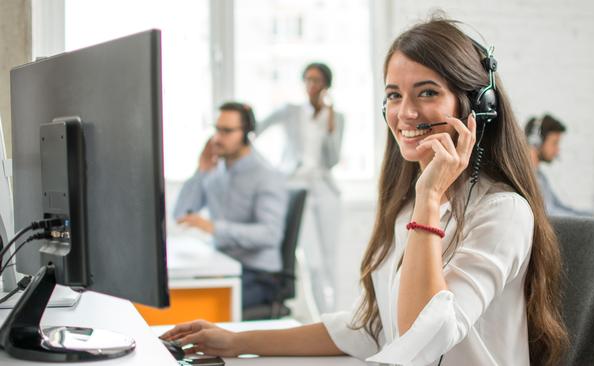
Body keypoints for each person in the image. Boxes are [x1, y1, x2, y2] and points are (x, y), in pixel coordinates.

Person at [162, 16, 568, 366]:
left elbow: (418, 342)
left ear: (478, 106)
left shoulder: (503, 211)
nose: (405, 113)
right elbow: (371, 328)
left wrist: (428, 199)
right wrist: (237, 341)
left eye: (427, 92)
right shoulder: (407, 203)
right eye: (394, 95)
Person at [173, 102, 289, 310]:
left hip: (258, 275)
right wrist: (200, 171)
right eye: (216, 129)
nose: (217, 138)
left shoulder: (267, 175)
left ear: (246, 134)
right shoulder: (215, 171)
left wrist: (215, 228)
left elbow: (270, 234)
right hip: (222, 266)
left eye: (227, 131)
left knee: (197, 307)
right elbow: (181, 214)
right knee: (177, 295)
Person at [256, 62, 345, 313]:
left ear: (326, 85)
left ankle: (334, 317)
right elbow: (255, 130)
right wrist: (274, 170)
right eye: (307, 79)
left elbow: (333, 159)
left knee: (330, 260)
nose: (311, 85)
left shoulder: (336, 117)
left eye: (316, 80)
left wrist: (329, 127)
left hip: (325, 188)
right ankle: (320, 319)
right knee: (311, 261)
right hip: (296, 187)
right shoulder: (290, 111)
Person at [525, 114, 594, 224]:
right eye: (555, 143)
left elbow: (564, 209)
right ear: (536, 141)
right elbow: (552, 216)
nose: (557, 151)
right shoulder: (527, 178)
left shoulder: (540, 177)